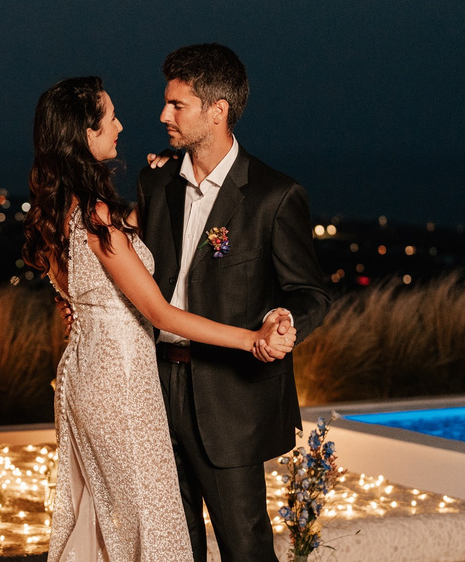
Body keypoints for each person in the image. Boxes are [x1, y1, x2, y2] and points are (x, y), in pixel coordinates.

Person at [22, 76, 297, 562]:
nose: (122, 125)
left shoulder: (62, 211)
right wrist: (251, 338)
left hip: (86, 374)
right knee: (150, 526)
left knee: (112, 519)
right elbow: (161, 312)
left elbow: (102, 275)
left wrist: (164, 183)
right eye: (110, 118)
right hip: (122, 383)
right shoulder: (95, 216)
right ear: (84, 135)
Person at [139, 44, 331, 562]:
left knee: (245, 546)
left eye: (178, 105)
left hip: (229, 398)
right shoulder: (155, 183)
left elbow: (309, 292)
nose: (163, 115)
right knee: (172, 547)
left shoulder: (274, 195)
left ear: (217, 110)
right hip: (152, 389)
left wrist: (284, 318)